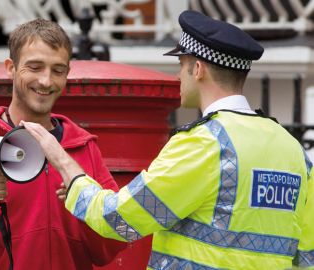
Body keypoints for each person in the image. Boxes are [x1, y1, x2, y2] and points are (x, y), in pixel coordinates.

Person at [20, 10, 314, 270]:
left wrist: (65, 165)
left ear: (197, 69)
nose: (178, 76)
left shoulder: (206, 143)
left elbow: (119, 220)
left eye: (182, 65)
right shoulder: (292, 150)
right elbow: (307, 255)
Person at [0, 18, 126, 269]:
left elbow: (117, 237)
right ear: (10, 67)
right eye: (35, 67)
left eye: (58, 70)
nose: (46, 81)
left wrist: (86, 206)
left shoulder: (83, 147)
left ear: (67, 74)